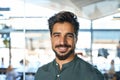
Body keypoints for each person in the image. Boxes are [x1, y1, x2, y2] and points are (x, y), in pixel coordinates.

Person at [35, 11, 105, 80]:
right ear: (51, 38)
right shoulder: (41, 73)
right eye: (57, 35)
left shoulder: (92, 75)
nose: (62, 42)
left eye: (69, 36)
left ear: (76, 39)